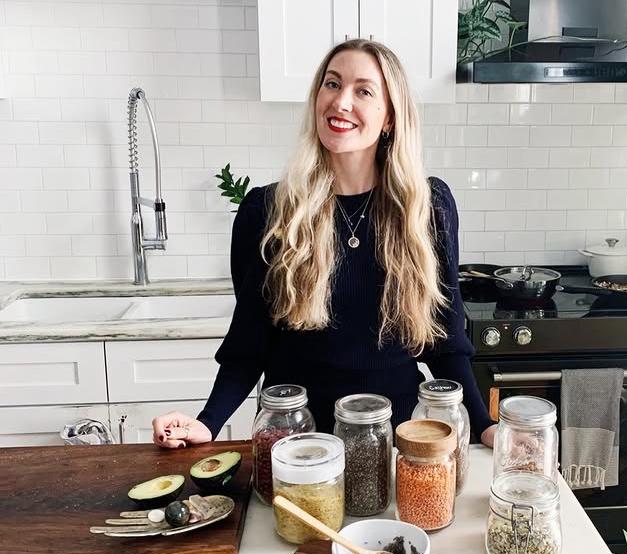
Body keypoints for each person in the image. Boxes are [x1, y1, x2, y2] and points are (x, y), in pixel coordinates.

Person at [151, 39, 497, 451]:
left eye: (363, 91)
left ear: (390, 117)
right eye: (332, 84)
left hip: (395, 439)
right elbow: (249, 345)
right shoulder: (268, 211)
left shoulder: (426, 208)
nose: (341, 101)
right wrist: (207, 422)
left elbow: (445, 343)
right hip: (296, 441)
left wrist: (484, 425)